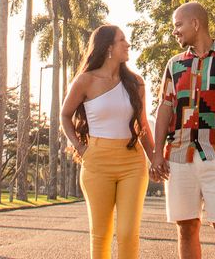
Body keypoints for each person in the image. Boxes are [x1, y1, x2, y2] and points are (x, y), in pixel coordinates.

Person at [152, 2, 215, 259]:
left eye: (178, 25)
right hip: (179, 156)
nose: (174, 31)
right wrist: (157, 153)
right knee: (186, 228)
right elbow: (165, 108)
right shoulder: (174, 65)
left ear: (195, 24)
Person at [61, 24, 157, 259]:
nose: (128, 44)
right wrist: (81, 147)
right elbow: (65, 115)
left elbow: (143, 124)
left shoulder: (136, 82)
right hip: (97, 162)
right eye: (122, 40)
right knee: (100, 234)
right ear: (108, 48)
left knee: (127, 233)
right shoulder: (85, 81)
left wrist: (155, 158)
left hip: (132, 162)